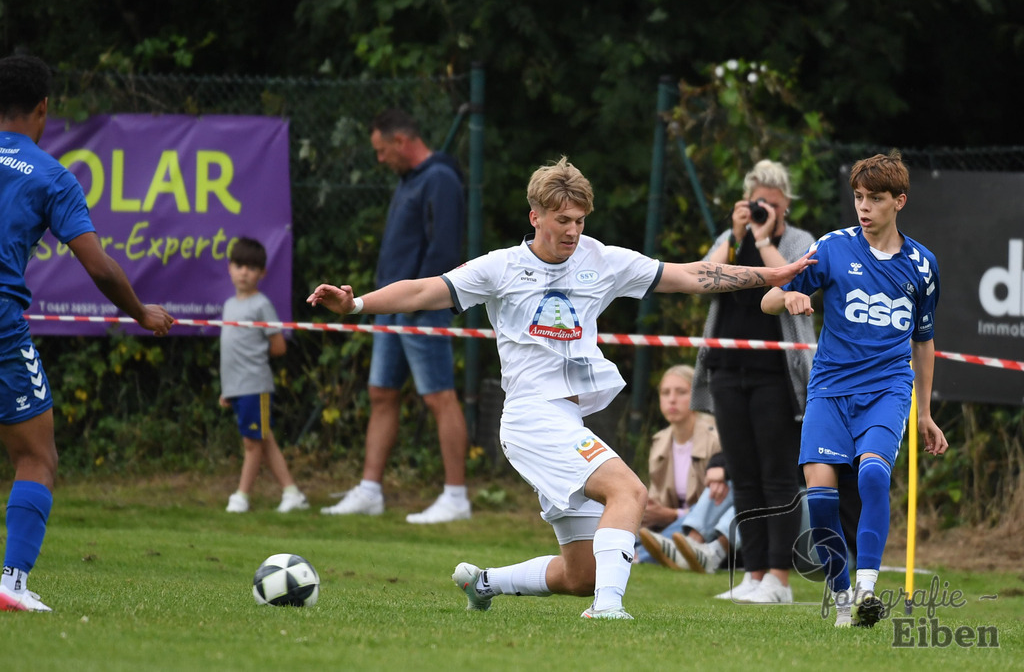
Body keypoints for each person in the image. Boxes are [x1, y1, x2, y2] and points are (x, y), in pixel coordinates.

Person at [307, 156, 816, 619]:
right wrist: (356, 306)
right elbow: (423, 290)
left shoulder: (601, 259)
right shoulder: (501, 267)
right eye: (562, 221)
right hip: (532, 417)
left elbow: (689, 275)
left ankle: (484, 583)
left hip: (565, 422)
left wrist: (774, 273)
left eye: (579, 221)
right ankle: (608, 612)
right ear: (535, 216)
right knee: (629, 491)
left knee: (580, 573)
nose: (572, 232)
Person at [0, 54, 174, 612]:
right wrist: (141, 312)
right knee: (36, 457)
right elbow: (98, 265)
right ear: (43, 108)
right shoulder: (51, 175)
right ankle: (11, 582)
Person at [762, 150, 947, 628]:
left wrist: (923, 413)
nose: (864, 207)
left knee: (871, 477)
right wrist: (792, 294)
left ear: (899, 201)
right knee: (821, 501)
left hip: (886, 390)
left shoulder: (922, 265)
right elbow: (768, 298)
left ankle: (867, 586)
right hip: (830, 389)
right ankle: (841, 594)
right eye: (859, 197)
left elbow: (923, 343)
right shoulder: (832, 248)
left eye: (876, 199)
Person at [321, 109, 471, 524]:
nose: (380, 160)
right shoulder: (410, 181)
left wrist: (421, 306)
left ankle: (456, 497)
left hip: (421, 310)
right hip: (389, 309)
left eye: (382, 150)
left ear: (402, 142)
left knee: (439, 397)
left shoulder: (440, 178)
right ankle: (370, 491)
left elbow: (443, 250)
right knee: (381, 393)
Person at [690, 159, 817, 603]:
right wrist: (738, 235)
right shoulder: (730, 238)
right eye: (758, 203)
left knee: (778, 476)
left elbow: (794, 281)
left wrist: (763, 240)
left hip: (777, 374)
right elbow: (705, 280)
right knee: (744, 476)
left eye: (774, 205)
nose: (766, 210)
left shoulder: (800, 241)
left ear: (786, 206)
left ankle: (779, 579)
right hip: (727, 369)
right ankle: (753, 573)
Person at [219, 237, 308, 514]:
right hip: (237, 388)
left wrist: (252, 364)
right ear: (230, 268)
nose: (244, 271)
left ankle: (241, 496)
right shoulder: (229, 305)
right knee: (263, 438)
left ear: (262, 273)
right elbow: (231, 354)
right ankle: (292, 493)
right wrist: (228, 389)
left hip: (255, 386)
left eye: (251, 267)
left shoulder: (262, 305)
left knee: (252, 443)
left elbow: (278, 346)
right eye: (239, 265)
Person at [635, 364, 738, 574]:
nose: (671, 399)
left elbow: (717, 502)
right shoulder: (659, 441)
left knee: (659, 535)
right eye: (665, 393)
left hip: (710, 523)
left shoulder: (716, 436)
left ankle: (639, 556)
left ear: (696, 396)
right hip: (674, 524)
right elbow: (658, 502)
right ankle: (635, 550)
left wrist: (671, 514)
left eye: (681, 392)